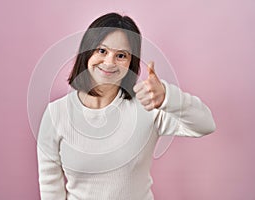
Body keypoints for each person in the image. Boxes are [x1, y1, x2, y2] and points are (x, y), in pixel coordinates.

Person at [37, 12, 216, 200]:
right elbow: (50, 185)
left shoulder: (147, 108)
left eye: (121, 55)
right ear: (87, 52)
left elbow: (205, 124)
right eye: (102, 51)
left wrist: (166, 96)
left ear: (131, 63)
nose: (109, 62)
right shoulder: (56, 113)